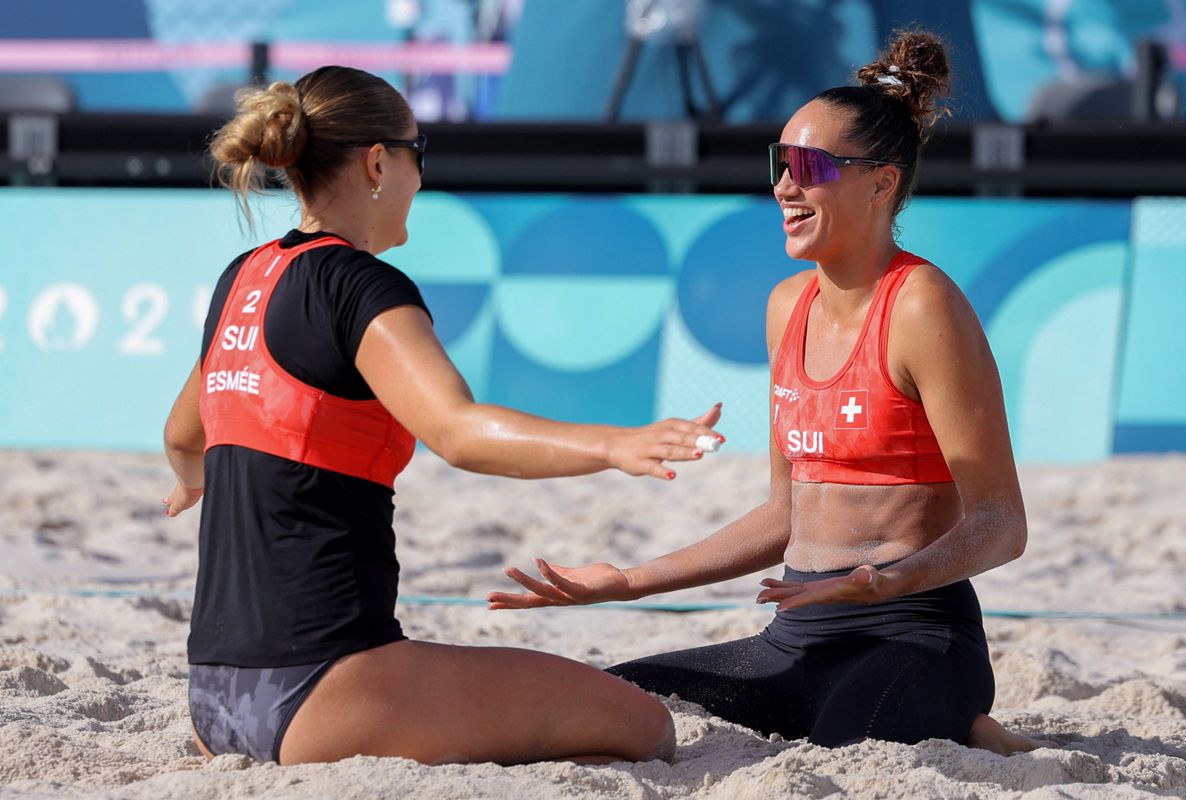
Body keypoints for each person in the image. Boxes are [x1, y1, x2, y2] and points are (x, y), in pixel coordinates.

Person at [487, 31, 1045, 755]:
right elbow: (786, 513)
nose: (784, 185)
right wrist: (628, 582)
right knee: (598, 705)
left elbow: (1002, 522)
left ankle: (964, 725)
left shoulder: (921, 304)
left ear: (880, 183)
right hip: (796, 637)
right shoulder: (787, 305)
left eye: (809, 167)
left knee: (856, 743)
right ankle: (963, 730)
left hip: (911, 632)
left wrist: (884, 579)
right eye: (780, 163)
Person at [161, 65, 725, 767]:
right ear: (376, 161)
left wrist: (196, 480)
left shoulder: (240, 278)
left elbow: (184, 435)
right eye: (416, 153)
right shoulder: (360, 284)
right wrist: (616, 444)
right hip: (320, 693)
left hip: (213, 703)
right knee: (645, 725)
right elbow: (458, 432)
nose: (420, 178)